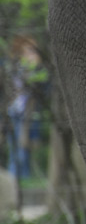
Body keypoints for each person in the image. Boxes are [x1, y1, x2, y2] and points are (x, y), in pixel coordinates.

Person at [5, 36, 46, 180]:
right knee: (16, 150)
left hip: (28, 115)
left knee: (24, 149)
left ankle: (22, 180)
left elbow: (42, 91)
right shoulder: (14, 68)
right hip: (15, 112)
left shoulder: (38, 72)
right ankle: (14, 181)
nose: (32, 54)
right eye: (28, 50)